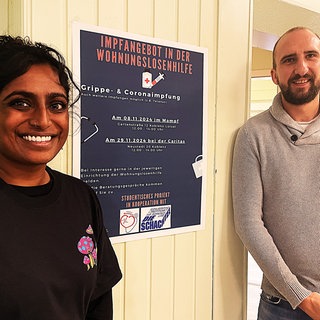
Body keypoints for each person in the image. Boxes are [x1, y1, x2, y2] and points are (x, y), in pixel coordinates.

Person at [0, 35, 122, 319]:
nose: (43, 120)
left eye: (56, 105)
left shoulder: (80, 197)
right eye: (20, 103)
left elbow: (98, 302)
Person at [232, 26, 320, 320]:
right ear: (274, 75)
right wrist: (301, 297)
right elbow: (248, 224)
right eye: (289, 60)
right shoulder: (253, 135)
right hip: (282, 307)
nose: (302, 68)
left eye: (311, 56)